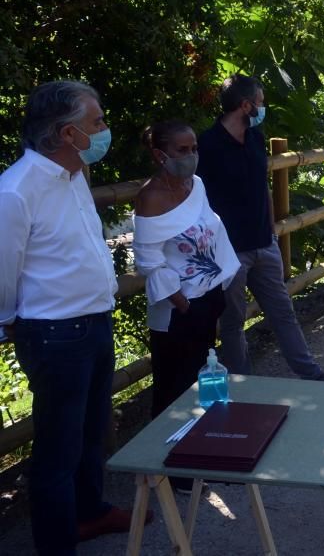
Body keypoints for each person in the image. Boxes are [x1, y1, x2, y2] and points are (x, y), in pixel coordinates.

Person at [0, 81, 151, 554]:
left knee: (90, 433)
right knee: (58, 449)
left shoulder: (75, 174)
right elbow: (3, 270)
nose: (105, 129)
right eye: (97, 122)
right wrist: (8, 321)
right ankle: (57, 542)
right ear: (69, 133)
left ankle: (90, 512)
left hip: (94, 323)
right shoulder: (15, 191)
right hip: (54, 334)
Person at [196, 75, 324, 381]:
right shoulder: (207, 144)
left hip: (264, 242)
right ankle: (242, 383)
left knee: (283, 312)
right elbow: (198, 200)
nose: (262, 108)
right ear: (244, 105)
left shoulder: (257, 138)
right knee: (232, 321)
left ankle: (311, 375)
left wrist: (271, 229)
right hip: (229, 251)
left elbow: (263, 186)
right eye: (259, 102)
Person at [133, 121, 240, 493]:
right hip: (178, 309)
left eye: (194, 147)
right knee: (171, 385)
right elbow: (148, 261)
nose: (191, 155)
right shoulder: (150, 198)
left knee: (201, 382)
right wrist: (181, 302)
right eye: (182, 150)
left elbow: (209, 231)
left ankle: (199, 455)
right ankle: (170, 468)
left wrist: (216, 286)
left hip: (208, 297)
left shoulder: (198, 186)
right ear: (159, 154)